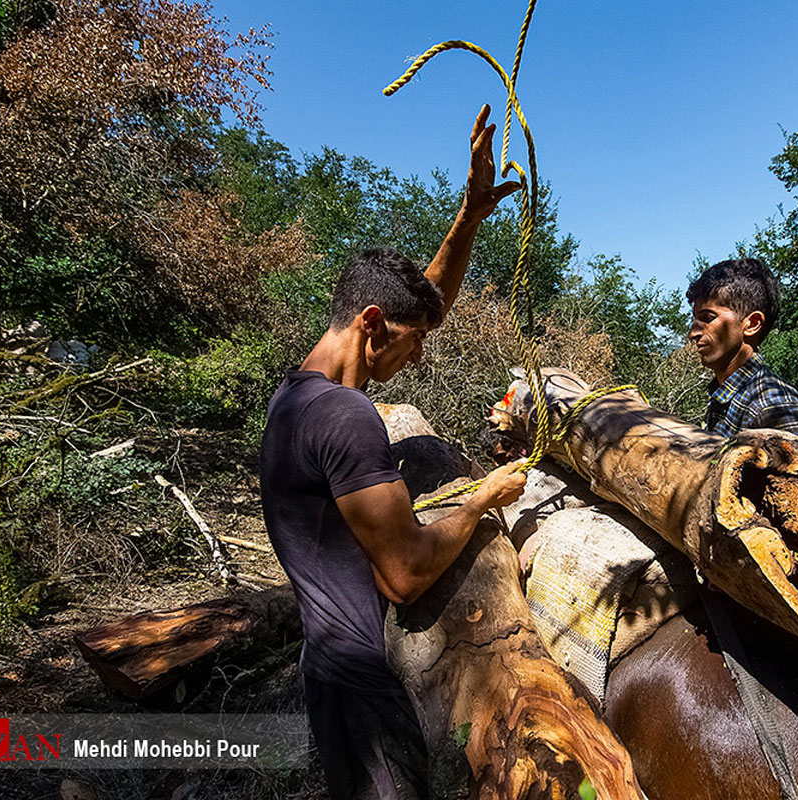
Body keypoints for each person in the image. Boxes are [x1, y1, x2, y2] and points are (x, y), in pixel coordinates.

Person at [259, 106, 526, 800]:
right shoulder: (346, 417)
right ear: (372, 324)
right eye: (413, 341)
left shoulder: (296, 398)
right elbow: (405, 575)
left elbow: (425, 301)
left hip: (329, 673)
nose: (419, 355)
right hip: (362, 692)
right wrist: (481, 500)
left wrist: (469, 214)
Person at [686, 258, 798, 440]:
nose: (693, 333)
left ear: (752, 324)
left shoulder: (775, 409)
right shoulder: (727, 393)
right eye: (695, 318)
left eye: (708, 317)